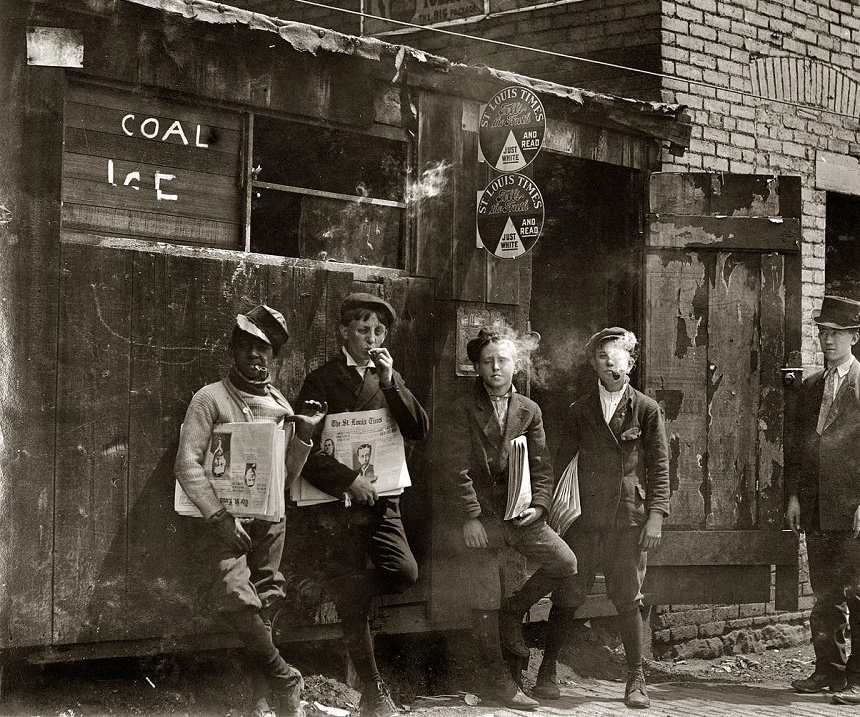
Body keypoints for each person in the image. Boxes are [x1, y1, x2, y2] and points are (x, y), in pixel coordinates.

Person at [175, 305, 327, 717]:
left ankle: (263, 696)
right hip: (222, 523)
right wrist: (220, 518)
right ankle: (285, 677)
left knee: (270, 596)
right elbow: (187, 464)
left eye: (263, 351)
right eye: (246, 348)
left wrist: (305, 435)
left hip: (269, 520)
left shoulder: (280, 405)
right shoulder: (209, 399)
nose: (255, 357)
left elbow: (285, 476)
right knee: (236, 594)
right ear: (232, 351)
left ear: (274, 358)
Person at [295, 292, 429, 717]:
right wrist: (349, 481)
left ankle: (331, 585)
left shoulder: (387, 377)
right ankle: (374, 692)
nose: (371, 338)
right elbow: (304, 453)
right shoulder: (320, 380)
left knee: (402, 572)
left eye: (379, 331)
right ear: (343, 332)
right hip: (337, 507)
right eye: (362, 330)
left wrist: (391, 383)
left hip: (382, 503)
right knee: (355, 606)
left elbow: (418, 429)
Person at [437, 327, 577, 711]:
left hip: (520, 516)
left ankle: (514, 610)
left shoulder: (530, 410)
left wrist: (541, 507)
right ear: (478, 368)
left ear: (517, 364)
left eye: (503, 360)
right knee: (484, 595)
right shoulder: (461, 409)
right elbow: (454, 470)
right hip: (481, 520)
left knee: (565, 562)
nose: (496, 367)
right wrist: (470, 518)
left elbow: (542, 467)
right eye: (487, 361)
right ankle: (499, 682)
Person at [534, 327, 669, 709]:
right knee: (570, 594)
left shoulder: (646, 409)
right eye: (602, 357)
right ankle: (547, 670)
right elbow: (559, 465)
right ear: (594, 364)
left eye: (618, 355)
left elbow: (659, 468)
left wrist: (656, 516)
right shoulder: (580, 411)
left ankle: (636, 679)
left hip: (628, 520)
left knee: (628, 598)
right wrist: (550, 510)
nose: (611, 363)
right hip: (586, 521)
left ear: (632, 361)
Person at [785, 295, 860, 706]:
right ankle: (828, 671)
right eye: (823, 333)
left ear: (854, 337)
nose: (827, 341)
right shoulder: (812, 385)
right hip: (816, 509)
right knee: (825, 595)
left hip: (857, 512)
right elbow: (798, 448)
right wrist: (795, 496)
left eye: (836, 334)